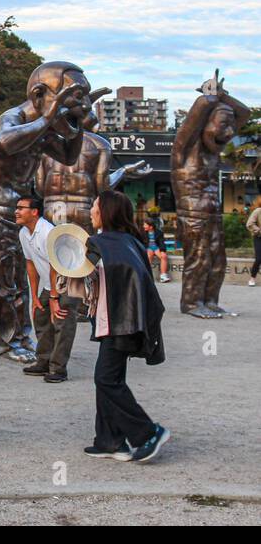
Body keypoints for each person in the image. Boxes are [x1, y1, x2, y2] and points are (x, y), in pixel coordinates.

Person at [84, 189, 168, 463]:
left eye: (94, 207)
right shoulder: (127, 241)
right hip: (119, 320)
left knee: (105, 379)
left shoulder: (106, 242)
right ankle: (109, 441)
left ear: (105, 211)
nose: (91, 211)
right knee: (110, 379)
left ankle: (148, 433)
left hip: (120, 322)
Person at [15, 195, 80, 383]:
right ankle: (43, 360)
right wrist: (35, 296)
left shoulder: (47, 232)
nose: (16, 211)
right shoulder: (24, 233)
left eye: (21, 208)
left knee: (62, 322)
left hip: (66, 282)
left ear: (34, 212)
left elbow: (55, 266)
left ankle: (58, 368)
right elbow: (30, 264)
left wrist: (53, 298)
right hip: (49, 283)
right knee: (40, 317)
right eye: (16, 207)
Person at [144, 206, 171, 283]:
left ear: (151, 227)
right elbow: (140, 242)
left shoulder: (159, 232)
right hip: (148, 248)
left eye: (145, 225)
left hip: (156, 248)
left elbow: (162, 242)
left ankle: (163, 276)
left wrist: (162, 250)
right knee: (148, 256)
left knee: (164, 256)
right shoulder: (143, 232)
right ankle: (146, 276)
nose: (144, 226)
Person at [246, 197, 261, 286]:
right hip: (259, 237)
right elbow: (249, 223)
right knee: (259, 258)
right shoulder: (258, 211)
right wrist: (259, 230)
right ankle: (252, 279)